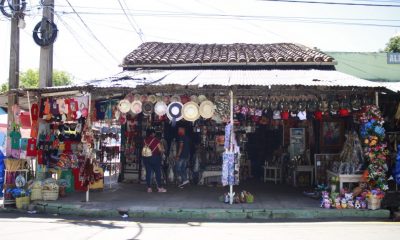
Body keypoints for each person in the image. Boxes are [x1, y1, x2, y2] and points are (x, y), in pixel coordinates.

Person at [143, 128, 167, 193]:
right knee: (157, 173)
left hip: (146, 158)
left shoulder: (145, 140)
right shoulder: (156, 140)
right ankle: (159, 188)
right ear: (153, 133)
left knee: (148, 173)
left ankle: (149, 188)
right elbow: (160, 149)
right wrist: (163, 150)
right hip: (155, 158)